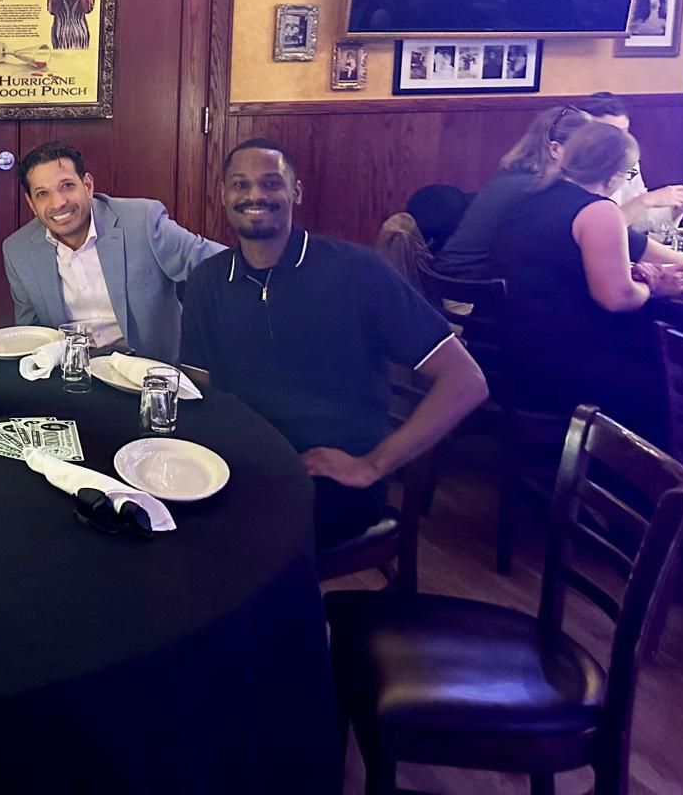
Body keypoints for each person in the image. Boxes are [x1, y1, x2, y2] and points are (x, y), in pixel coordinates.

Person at [179, 139, 488, 549]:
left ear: (296, 192)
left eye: (271, 183)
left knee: (234, 546)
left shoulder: (358, 272)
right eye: (241, 184)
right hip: (240, 468)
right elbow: (197, 388)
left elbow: (466, 380)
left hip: (331, 479)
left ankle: (297, 614)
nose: (255, 195)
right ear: (223, 195)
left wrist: (374, 465)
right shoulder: (207, 279)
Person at [492, 122, 683, 439]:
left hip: (517, 352)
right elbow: (615, 298)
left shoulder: (530, 197)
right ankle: (633, 482)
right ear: (615, 174)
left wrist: (634, 276)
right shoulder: (598, 210)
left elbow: (558, 270)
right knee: (669, 380)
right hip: (564, 365)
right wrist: (653, 287)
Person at [2, 141, 224, 362]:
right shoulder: (18, 251)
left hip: (147, 374)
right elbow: (31, 334)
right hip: (72, 376)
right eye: (42, 193)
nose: (58, 202)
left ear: (87, 186)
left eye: (67, 186)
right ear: (31, 203)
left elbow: (221, 266)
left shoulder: (142, 222)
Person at [434, 104, 594, 280]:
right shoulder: (532, 186)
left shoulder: (517, 174)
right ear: (555, 149)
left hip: (463, 276)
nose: (591, 155)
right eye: (585, 149)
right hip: (469, 285)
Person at [579, 91, 683, 231]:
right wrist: (645, 200)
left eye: (624, 132)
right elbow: (597, 231)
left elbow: (640, 223)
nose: (622, 142)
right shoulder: (573, 170)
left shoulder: (628, 160)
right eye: (612, 134)